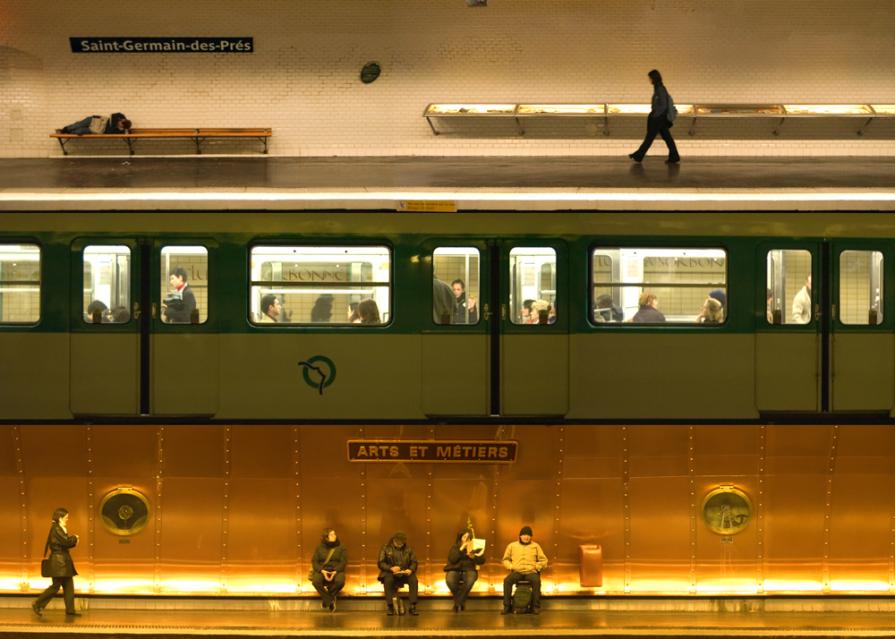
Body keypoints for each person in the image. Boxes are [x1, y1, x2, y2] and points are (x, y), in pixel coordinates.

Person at [33, 508, 80, 617]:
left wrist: (73, 540)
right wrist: (75, 538)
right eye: (66, 517)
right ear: (60, 518)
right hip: (59, 562)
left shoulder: (58, 528)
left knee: (69, 586)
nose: (67, 519)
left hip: (62, 561)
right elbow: (66, 541)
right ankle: (38, 604)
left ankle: (70, 610)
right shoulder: (56, 529)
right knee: (56, 586)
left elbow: (65, 543)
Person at [628, 69, 680, 164]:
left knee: (650, 137)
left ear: (654, 78)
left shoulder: (660, 89)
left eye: (650, 78)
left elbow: (663, 105)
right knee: (667, 138)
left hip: (658, 119)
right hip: (660, 119)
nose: (649, 80)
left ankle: (639, 155)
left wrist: (655, 115)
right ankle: (674, 156)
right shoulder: (658, 88)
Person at [501, 526, 548, 615]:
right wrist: (510, 566)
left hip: (531, 572)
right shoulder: (512, 546)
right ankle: (507, 606)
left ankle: (535, 607)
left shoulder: (536, 546)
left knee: (536, 581)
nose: (526, 537)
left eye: (528, 535)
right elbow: (505, 559)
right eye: (524, 535)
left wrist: (537, 566)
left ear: (531, 537)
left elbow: (544, 560)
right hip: (517, 572)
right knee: (507, 581)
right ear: (520, 536)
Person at [378, 531, 419, 616]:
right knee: (388, 580)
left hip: (405, 572)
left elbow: (414, 562)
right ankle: (390, 606)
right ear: (393, 541)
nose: (400, 545)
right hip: (391, 572)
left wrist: (410, 569)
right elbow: (381, 563)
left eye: (402, 544)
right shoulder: (386, 548)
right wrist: (391, 568)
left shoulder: (408, 549)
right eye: (398, 544)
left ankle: (413, 606)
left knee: (414, 580)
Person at [444, 529, 485, 612]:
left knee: (470, 580)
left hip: (469, 569)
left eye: (468, 537)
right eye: (464, 537)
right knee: (450, 580)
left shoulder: (475, 547)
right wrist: (461, 549)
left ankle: (457, 603)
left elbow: (482, 560)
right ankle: (460, 602)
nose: (466, 539)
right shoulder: (455, 547)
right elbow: (452, 559)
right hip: (455, 568)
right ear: (460, 537)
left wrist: (473, 557)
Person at [310, 528, 347, 612]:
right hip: (323, 570)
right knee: (316, 581)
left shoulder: (341, 547)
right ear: (326, 537)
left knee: (340, 581)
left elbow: (343, 561)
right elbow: (314, 561)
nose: (334, 536)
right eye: (331, 534)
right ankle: (330, 600)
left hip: (336, 570)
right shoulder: (319, 547)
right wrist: (321, 570)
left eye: (334, 534)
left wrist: (336, 571)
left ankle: (326, 599)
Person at [59, 113, 132, 135]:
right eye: (121, 121)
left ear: (123, 126)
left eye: (121, 124)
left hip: (95, 129)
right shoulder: (118, 117)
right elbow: (114, 115)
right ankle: (65, 129)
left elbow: (108, 132)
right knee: (79, 125)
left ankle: (69, 131)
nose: (119, 123)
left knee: (79, 131)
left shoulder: (117, 130)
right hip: (95, 120)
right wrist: (123, 118)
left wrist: (122, 130)